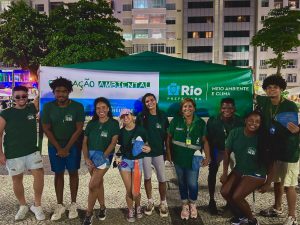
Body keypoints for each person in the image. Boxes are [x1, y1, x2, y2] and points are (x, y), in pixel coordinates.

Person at [257, 75, 299, 225]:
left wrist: (298, 130)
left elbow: (296, 126)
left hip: (289, 150)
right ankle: (277, 207)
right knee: (277, 181)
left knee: (289, 185)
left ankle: (292, 216)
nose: (271, 89)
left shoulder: (290, 106)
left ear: (281, 89)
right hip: (273, 149)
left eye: (275, 87)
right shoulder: (264, 103)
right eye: (268, 87)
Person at [42, 77, 85, 221]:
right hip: (55, 145)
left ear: (69, 92)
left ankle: (73, 204)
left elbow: (79, 129)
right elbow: (46, 129)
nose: (61, 94)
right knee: (58, 174)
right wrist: (59, 148)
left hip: (73, 145)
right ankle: (59, 204)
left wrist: (66, 148)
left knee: (73, 172)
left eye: (64, 91)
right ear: (53, 92)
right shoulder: (48, 107)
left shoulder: (77, 107)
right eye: (58, 91)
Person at [0, 86, 45, 221]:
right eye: (18, 96)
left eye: (24, 96)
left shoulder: (32, 108)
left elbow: (41, 94)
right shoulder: (6, 113)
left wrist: (40, 75)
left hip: (32, 150)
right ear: (13, 97)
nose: (21, 99)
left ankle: (37, 205)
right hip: (13, 152)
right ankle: (23, 205)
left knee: (39, 174)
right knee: (17, 179)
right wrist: (0, 153)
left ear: (27, 96)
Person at [220, 111, 273, 225]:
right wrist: (224, 173)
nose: (254, 123)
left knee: (237, 196)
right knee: (224, 192)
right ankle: (240, 216)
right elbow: (226, 154)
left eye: (257, 122)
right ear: (245, 121)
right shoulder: (235, 133)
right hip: (240, 169)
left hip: (256, 173)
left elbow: (271, 163)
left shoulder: (262, 138)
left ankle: (252, 220)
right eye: (251, 120)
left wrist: (268, 183)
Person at [166, 98, 210, 220]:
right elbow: (168, 138)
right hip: (178, 158)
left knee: (192, 183)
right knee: (182, 182)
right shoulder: (176, 120)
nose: (187, 109)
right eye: (185, 106)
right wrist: (168, 152)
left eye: (190, 106)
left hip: (194, 160)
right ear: (181, 109)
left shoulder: (200, 123)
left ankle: (193, 204)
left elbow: (205, 141)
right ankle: (185, 204)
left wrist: (208, 156)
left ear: (194, 108)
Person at [82, 97, 119, 225]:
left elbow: (113, 143)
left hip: (105, 157)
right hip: (90, 157)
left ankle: (89, 213)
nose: (101, 110)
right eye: (98, 108)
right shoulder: (91, 124)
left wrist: (102, 157)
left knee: (92, 185)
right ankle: (102, 207)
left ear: (108, 109)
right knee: (98, 184)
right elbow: (85, 142)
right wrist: (86, 158)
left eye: (103, 107)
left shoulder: (114, 123)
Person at [206, 98, 244, 214]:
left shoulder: (239, 121)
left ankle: (230, 200)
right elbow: (208, 138)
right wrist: (209, 155)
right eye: (224, 108)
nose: (226, 110)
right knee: (212, 172)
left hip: (233, 151)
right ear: (220, 108)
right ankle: (212, 200)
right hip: (217, 149)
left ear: (234, 109)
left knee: (235, 174)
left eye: (230, 108)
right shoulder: (213, 120)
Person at [136, 93, 169, 217]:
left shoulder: (162, 116)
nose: (150, 102)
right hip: (145, 153)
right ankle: (150, 201)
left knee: (162, 179)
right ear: (144, 104)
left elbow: (167, 137)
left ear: (155, 100)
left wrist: (168, 153)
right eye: (146, 101)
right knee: (147, 178)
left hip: (159, 153)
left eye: (151, 100)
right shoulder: (141, 117)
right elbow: (138, 135)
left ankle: (163, 202)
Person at [117, 108, 151, 222]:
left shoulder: (141, 130)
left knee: (135, 191)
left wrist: (148, 148)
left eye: (127, 115)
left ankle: (138, 206)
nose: (125, 117)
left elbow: (147, 144)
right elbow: (119, 148)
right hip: (125, 162)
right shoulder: (120, 132)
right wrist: (118, 157)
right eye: (123, 116)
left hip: (137, 162)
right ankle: (131, 210)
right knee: (129, 189)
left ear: (132, 116)